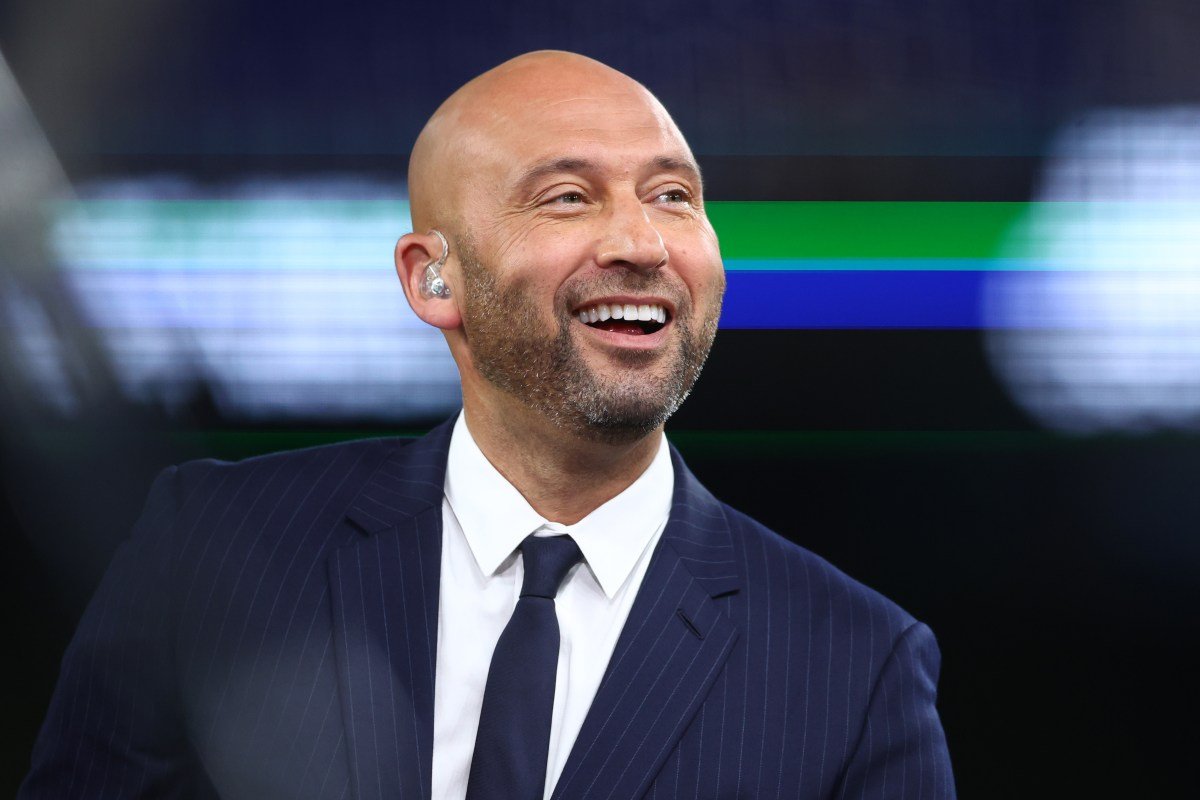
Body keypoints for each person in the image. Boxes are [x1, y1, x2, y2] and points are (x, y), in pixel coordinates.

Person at [21, 51, 955, 799]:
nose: (642, 242)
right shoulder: (214, 552)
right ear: (434, 279)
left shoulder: (856, 665)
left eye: (673, 195)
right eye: (568, 196)